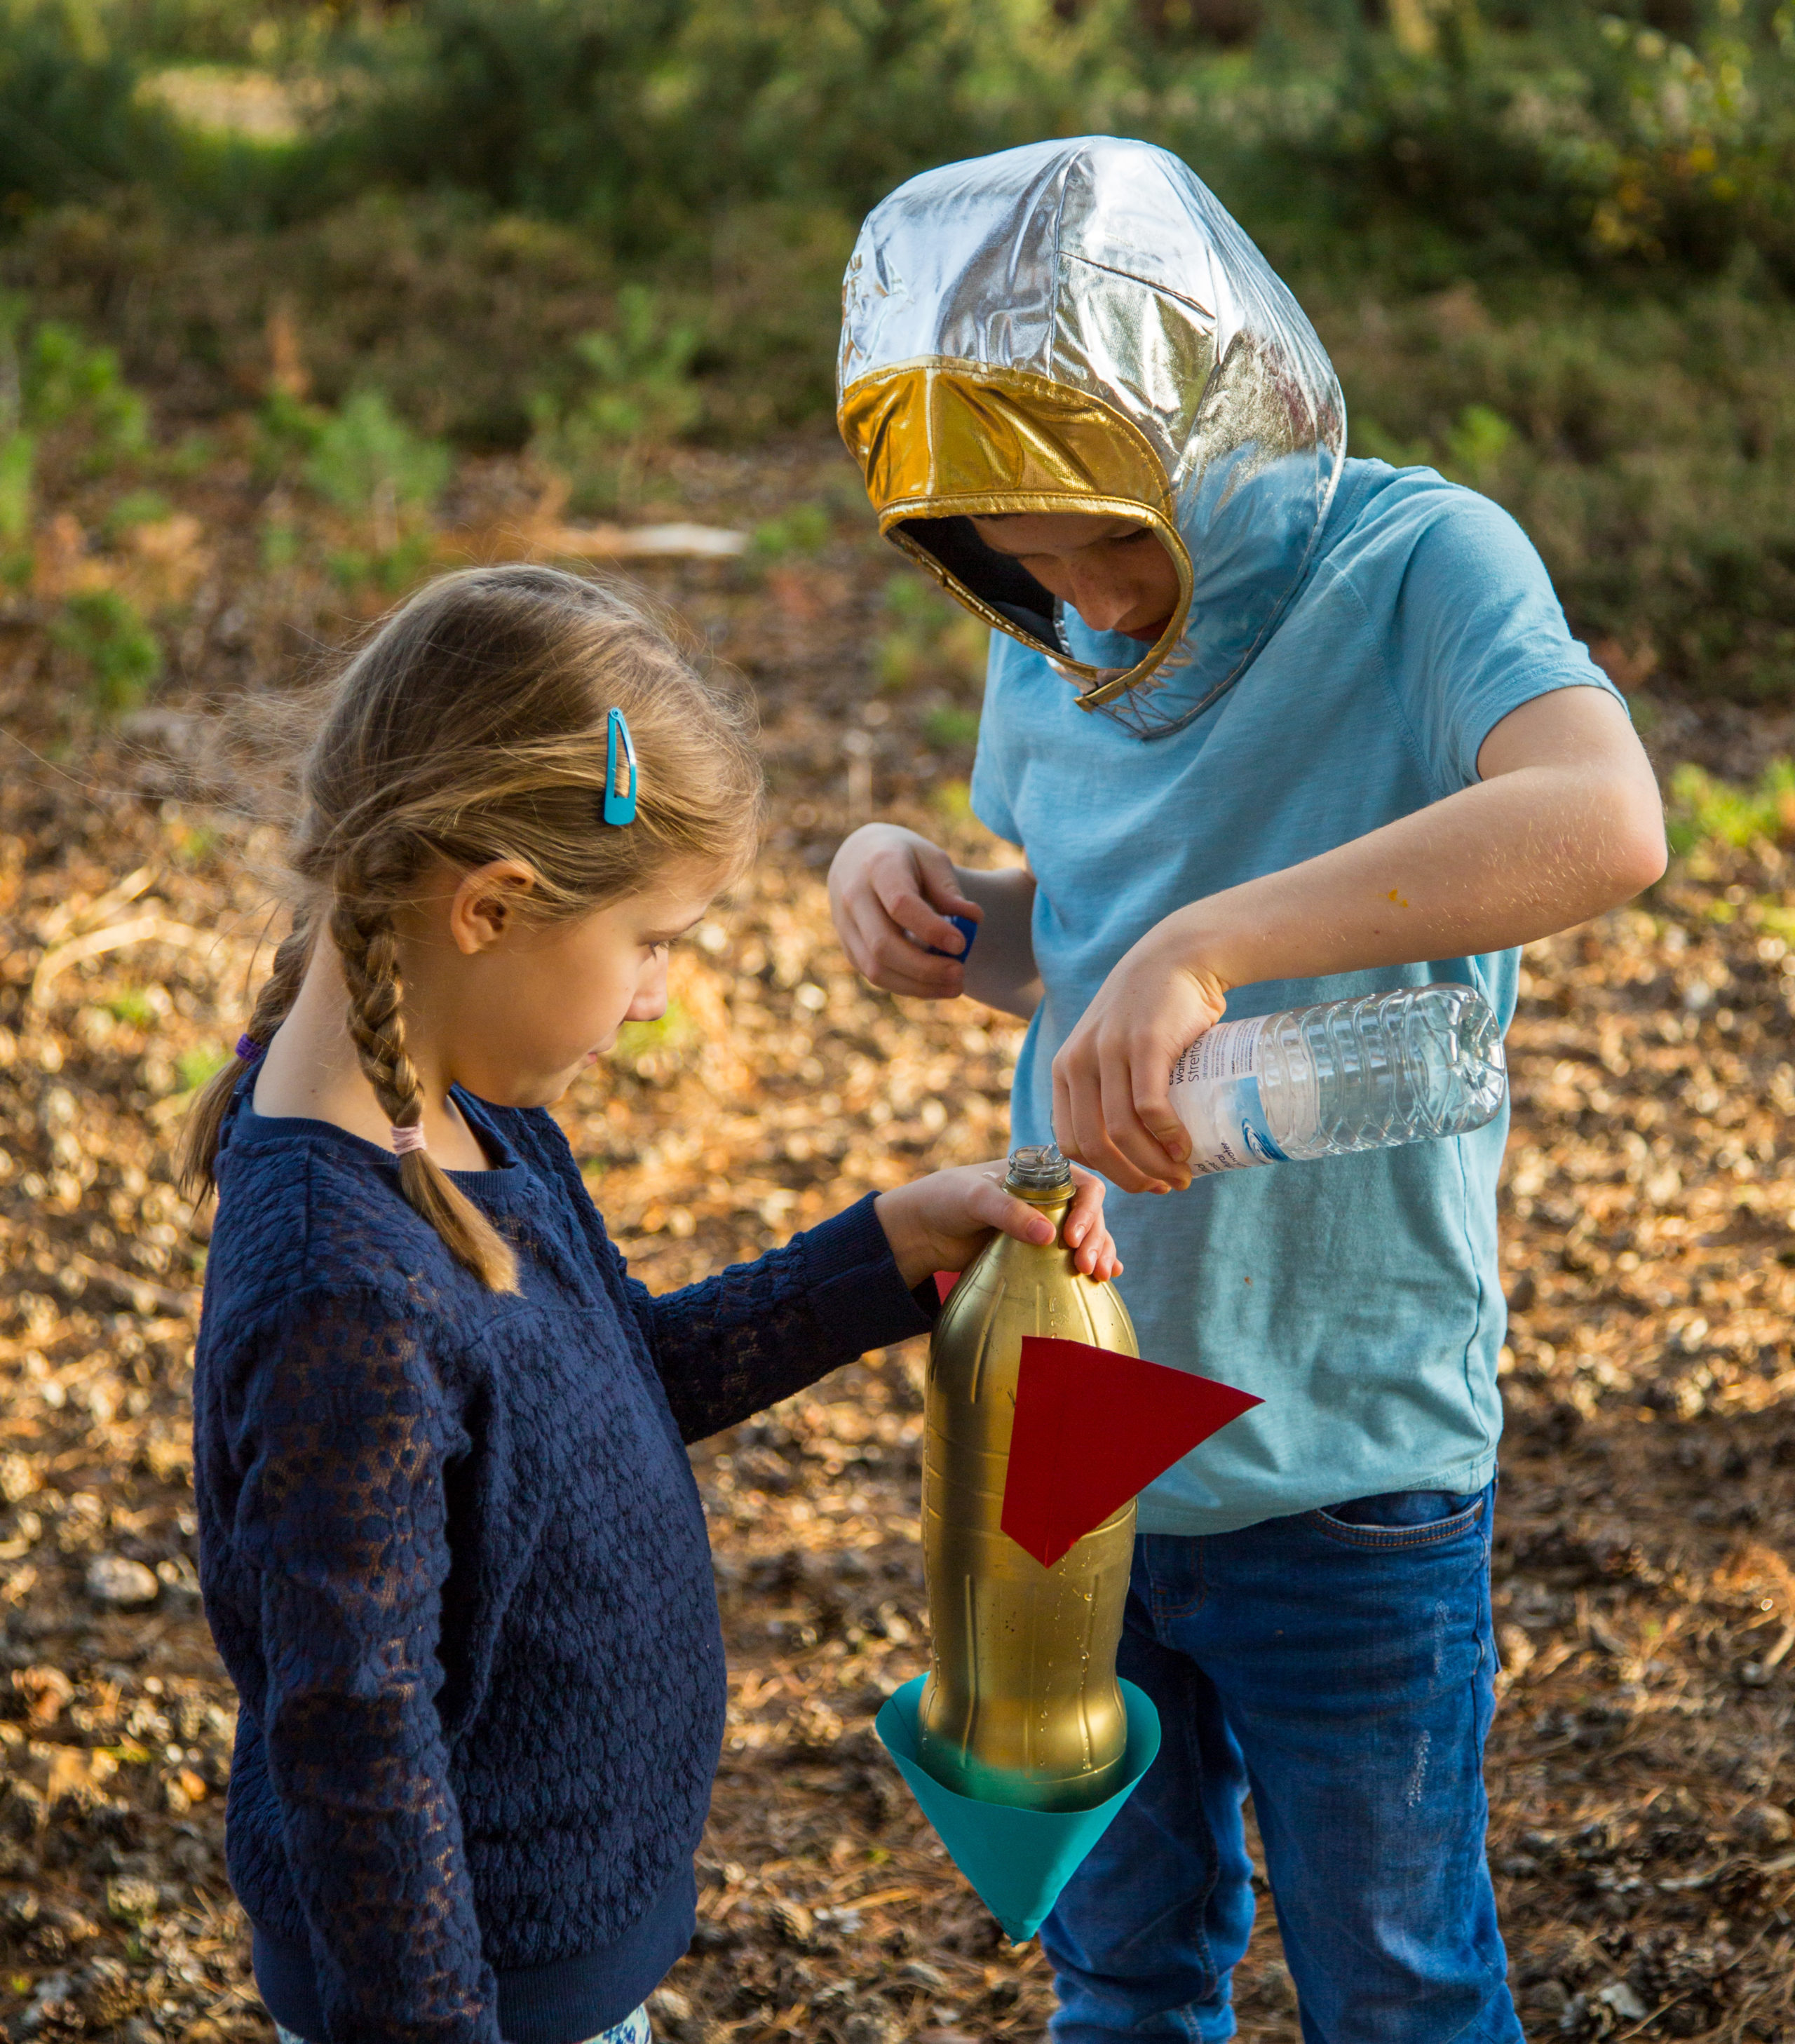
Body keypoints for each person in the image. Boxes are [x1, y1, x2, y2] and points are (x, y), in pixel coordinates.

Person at [829, 137, 1667, 2042]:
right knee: (1121, 1969)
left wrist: (1206, 943)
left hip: (1344, 1449)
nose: (1089, 603)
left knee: (1400, 1981)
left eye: (1116, 542)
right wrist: (940, 909)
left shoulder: (1419, 564)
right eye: (1023, 566)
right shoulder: (1055, 640)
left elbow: (1606, 823)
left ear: (1221, 424)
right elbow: (1089, 939)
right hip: (1075, 1439)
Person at [177, 564, 1120, 2044]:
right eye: (649, 944)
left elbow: (627, 1376)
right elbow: (352, 1737)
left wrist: (881, 1249)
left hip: (570, 1963)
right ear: (489, 906)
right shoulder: (336, 1282)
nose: (658, 996)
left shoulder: (475, 1129)